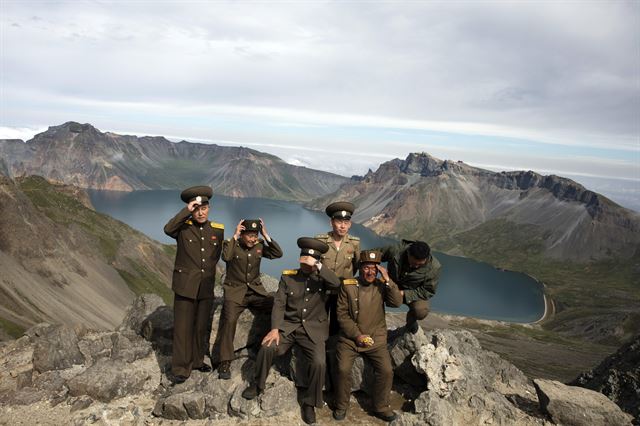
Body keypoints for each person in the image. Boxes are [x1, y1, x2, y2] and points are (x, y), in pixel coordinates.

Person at [241, 237, 340, 425]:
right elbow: (279, 304)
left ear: (317, 262)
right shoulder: (288, 277)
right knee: (267, 347)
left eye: (309, 264)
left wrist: (318, 267)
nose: (305, 267)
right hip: (288, 327)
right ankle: (257, 384)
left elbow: (337, 284)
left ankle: (310, 403)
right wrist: (275, 329)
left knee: (319, 363)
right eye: (303, 262)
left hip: (313, 330)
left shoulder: (324, 279)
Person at [163, 185, 224, 383]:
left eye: (203, 208)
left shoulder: (217, 230)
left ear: (209, 208)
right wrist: (186, 211)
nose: (200, 212)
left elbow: (217, 256)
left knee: (200, 327)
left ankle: (197, 361)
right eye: (196, 208)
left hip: (205, 287)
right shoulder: (182, 227)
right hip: (185, 285)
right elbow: (167, 228)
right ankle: (181, 368)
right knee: (182, 328)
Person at [333, 250, 403, 422]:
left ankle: (381, 407)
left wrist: (387, 280)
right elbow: (342, 315)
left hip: (376, 339)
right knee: (342, 369)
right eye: (366, 268)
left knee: (386, 370)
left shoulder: (381, 285)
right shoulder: (348, 285)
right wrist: (357, 335)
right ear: (360, 268)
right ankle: (341, 405)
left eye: (374, 268)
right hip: (350, 339)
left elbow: (396, 302)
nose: (370, 272)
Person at [216, 218, 283, 379]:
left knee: (276, 305)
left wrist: (266, 235)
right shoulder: (232, 244)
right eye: (250, 235)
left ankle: (275, 346)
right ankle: (225, 361)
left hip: (255, 292)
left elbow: (277, 254)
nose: (253, 239)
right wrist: (234, 236)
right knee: (229, 320)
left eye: (255, 235)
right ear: (242, 234)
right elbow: (226, 256)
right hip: (235, 292)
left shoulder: (259, 245)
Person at [374, 240, 441, 333]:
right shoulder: (396, 251)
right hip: (390, 284)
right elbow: (373, 254)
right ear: (408, 253)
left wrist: (404, 293)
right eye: (413, 263)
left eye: (420, 264)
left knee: (421, 310)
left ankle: (411, 323)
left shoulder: (434, 267)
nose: (416, 266)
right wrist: (371, 269)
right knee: (373, 297)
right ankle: (373, 323)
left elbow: (428, 290)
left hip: (413, 292)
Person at [314, 201, 360, 336]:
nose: (342, 226)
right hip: (322, 291)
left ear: (350, 225)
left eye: (346, 222)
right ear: (331, 222)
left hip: (342, 293)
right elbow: (313, 265)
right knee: (318, 322)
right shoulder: (320, 241)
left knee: (337, 325)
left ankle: (332, 352)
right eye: (339, 221)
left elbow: (356, 266)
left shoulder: (354, 243)